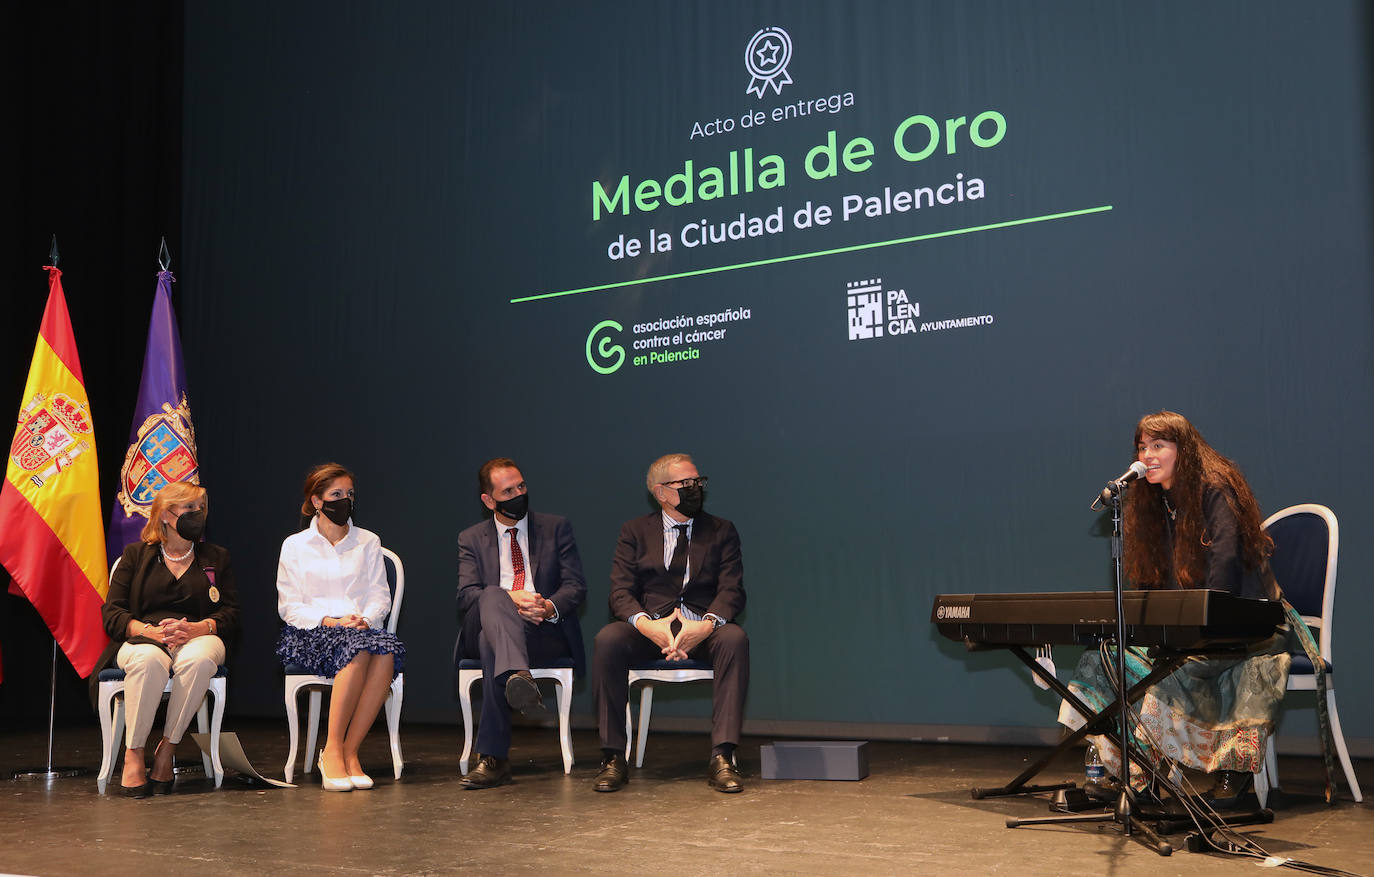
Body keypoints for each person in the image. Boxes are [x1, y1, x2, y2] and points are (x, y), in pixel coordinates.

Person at [1058, 411, 1290, 803]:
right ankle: (1133, 773)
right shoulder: (1153, 502)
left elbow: (1225, 574)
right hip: (1190, 629)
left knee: (1164, 672)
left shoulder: (1215, 489)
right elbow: (1152, 585)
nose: (1146, 455)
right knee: (1101, 660)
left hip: (1249, 629)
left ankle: (1222, 774)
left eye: (1158, 446)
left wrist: (1187, 631)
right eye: (1142, 447)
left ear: (1185, 451)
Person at [592, 453, 748, 793]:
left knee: (734, 638)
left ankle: (722, 756)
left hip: (703, 629)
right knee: (608, 639)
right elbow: (619, 592)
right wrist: (648, 625)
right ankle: (613, 757)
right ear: (660, 492)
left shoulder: (721, 530)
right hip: (651, 629)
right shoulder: (634, 531)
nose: (696, 489)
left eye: (698, 482)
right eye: (686, 484)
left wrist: (705, 625)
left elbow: (732, 590)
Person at [99, 481, 239, 797]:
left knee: (199, 659)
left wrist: (198, 628)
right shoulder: (135, 555)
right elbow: (113, 613)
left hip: (199, 635)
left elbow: (231, 613)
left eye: (200, 508)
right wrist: (148, 631)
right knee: (149, 661)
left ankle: (167, 748)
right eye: (189, 508)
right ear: (165, 513)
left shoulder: (217, 557)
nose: (197, 514)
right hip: (145, 639)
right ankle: (134, 752)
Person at [455, 457, 587, 789]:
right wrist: (509, 599)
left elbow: (575, 587)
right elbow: (466, 595)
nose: (518, 494)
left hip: (541, 630)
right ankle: (518, 674)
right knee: (493, 596)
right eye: (508, 491)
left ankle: (493, 759)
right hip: (488, 618)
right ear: (488, 500)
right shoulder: (471, 538)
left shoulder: (555, 527)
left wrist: (546, 607)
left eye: (522, 486)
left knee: (491, 644)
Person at [276, 463, 405, 792]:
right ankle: (331, 749)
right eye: (336, 495)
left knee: (386, 651)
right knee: (358, 649)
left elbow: (380, 597)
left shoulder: (368, 542)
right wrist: (330, 621)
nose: (345, 501)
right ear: (317, 501)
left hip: (359, 629)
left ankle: (350, 751)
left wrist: (365, 618)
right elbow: (290, 606)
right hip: (311, 633)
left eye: (349, 494)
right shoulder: (295, 546)